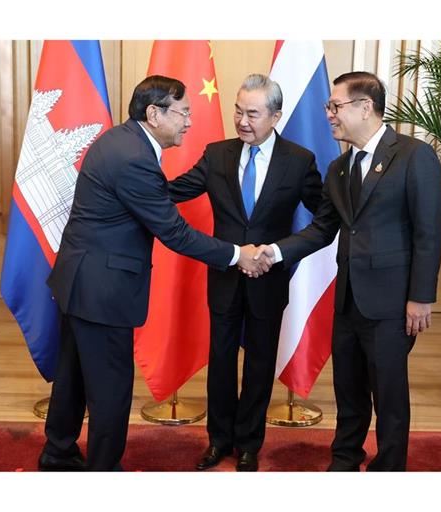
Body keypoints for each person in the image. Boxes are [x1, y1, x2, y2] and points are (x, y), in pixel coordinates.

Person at [39, 75, 268, 472]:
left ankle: (57, 453)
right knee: (110, 389)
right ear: (154, 113)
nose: (189, 122)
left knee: (73, 376)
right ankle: (104, 469)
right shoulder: (132, 157)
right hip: (102, 290)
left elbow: (155, 204)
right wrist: (237, 255)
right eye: (183, 113)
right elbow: (175, 232)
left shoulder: (123, 141)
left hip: (81, 280)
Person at [254, 71, 441, 471]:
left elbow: (429, 232)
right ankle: (344, 461)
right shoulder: (339, 168)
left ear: (365, 107)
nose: (328, 115)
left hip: (393, 303)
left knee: (389, 397)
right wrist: (274, 251)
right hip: (348, 302)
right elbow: (323, 229)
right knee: (349, 391)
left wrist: (421, 297)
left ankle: (389, 469)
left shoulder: (412, 155)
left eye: (335, 106)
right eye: (328, 107)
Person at [168, 74, 322, 472]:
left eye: (252, 113)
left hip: (269, 280)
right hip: (224, 276)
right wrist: (130, 178)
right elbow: (176, 190)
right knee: (220, 361)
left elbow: (326, 215)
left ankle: (250, 444)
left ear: (275, 116)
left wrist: (280, 252)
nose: (242, 120)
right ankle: (219, 440)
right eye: (237, 110)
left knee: (259, 364)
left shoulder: (299, 160)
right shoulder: (216, 154)